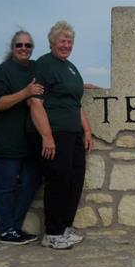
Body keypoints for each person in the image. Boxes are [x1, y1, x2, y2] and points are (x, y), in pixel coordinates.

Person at [27, 20, 93, 250]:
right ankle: (53, 233)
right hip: (55, 132)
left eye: (70, 41)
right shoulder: (45, 64)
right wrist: (46, 136)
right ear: (52, 42)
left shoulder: (71, 67)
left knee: (74, 180)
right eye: (62, 41)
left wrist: (86, 130)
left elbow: (76, 102)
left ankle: (65, 227)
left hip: (73, 133)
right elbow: (35, 103)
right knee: (58, 182)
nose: (66, 45)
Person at [0, 31, 43, 245]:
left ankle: (14, 226)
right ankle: (7, 230)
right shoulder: (3, 71)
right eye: (19, 45)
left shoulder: (35, 68)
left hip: (28, 141)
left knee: (30, 182)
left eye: (28, 45)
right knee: (5, 187)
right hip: (4, 140)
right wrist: (25, 93)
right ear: (12, 47)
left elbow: (55, 81)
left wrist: (83, 86)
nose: (24, 48)